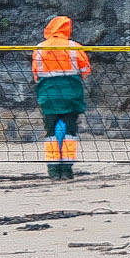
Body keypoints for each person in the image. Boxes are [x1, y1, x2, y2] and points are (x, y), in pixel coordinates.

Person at [32, 15, 91, 181]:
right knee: (70, 132)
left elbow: (36, 74)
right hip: (71, 97)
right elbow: (86, 70)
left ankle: (53, 170)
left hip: (48, 97)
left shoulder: (39, 48)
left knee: (50, 133)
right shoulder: (74, 47)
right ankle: (66, 170)